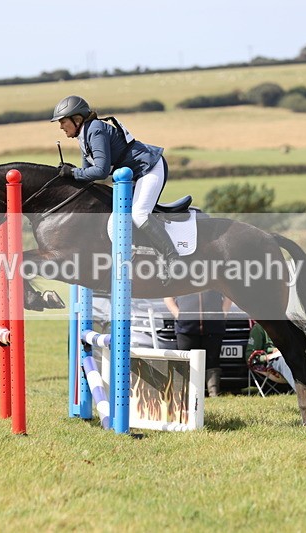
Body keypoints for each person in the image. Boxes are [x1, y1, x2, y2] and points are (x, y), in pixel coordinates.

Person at [51, 95, 179, 284]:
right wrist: (70, 175)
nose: (61, 127)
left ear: (77, 119)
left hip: (150, 168)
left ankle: (172, 257)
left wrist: (73, 173)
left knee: (139, 215)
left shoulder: (95, 130)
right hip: (135, 175)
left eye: (63, 122)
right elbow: (88, 173)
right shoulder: (83, 135)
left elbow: (101, 171)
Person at [245, 321, 306, 416]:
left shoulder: (290, 324)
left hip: (291, 356)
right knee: (285, 360)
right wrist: (267, 356)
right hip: (274, 361)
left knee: (294, 358)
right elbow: (250, 356)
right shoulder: (259, 328)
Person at [164, 290, 231, 397]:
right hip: (186, 328)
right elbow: (167, 294)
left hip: (214, 326)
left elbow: (229, 293)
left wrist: (223, 312)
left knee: (212, 360)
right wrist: (178, 314)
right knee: (186, 361)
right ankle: (186, 394)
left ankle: (214, 393)